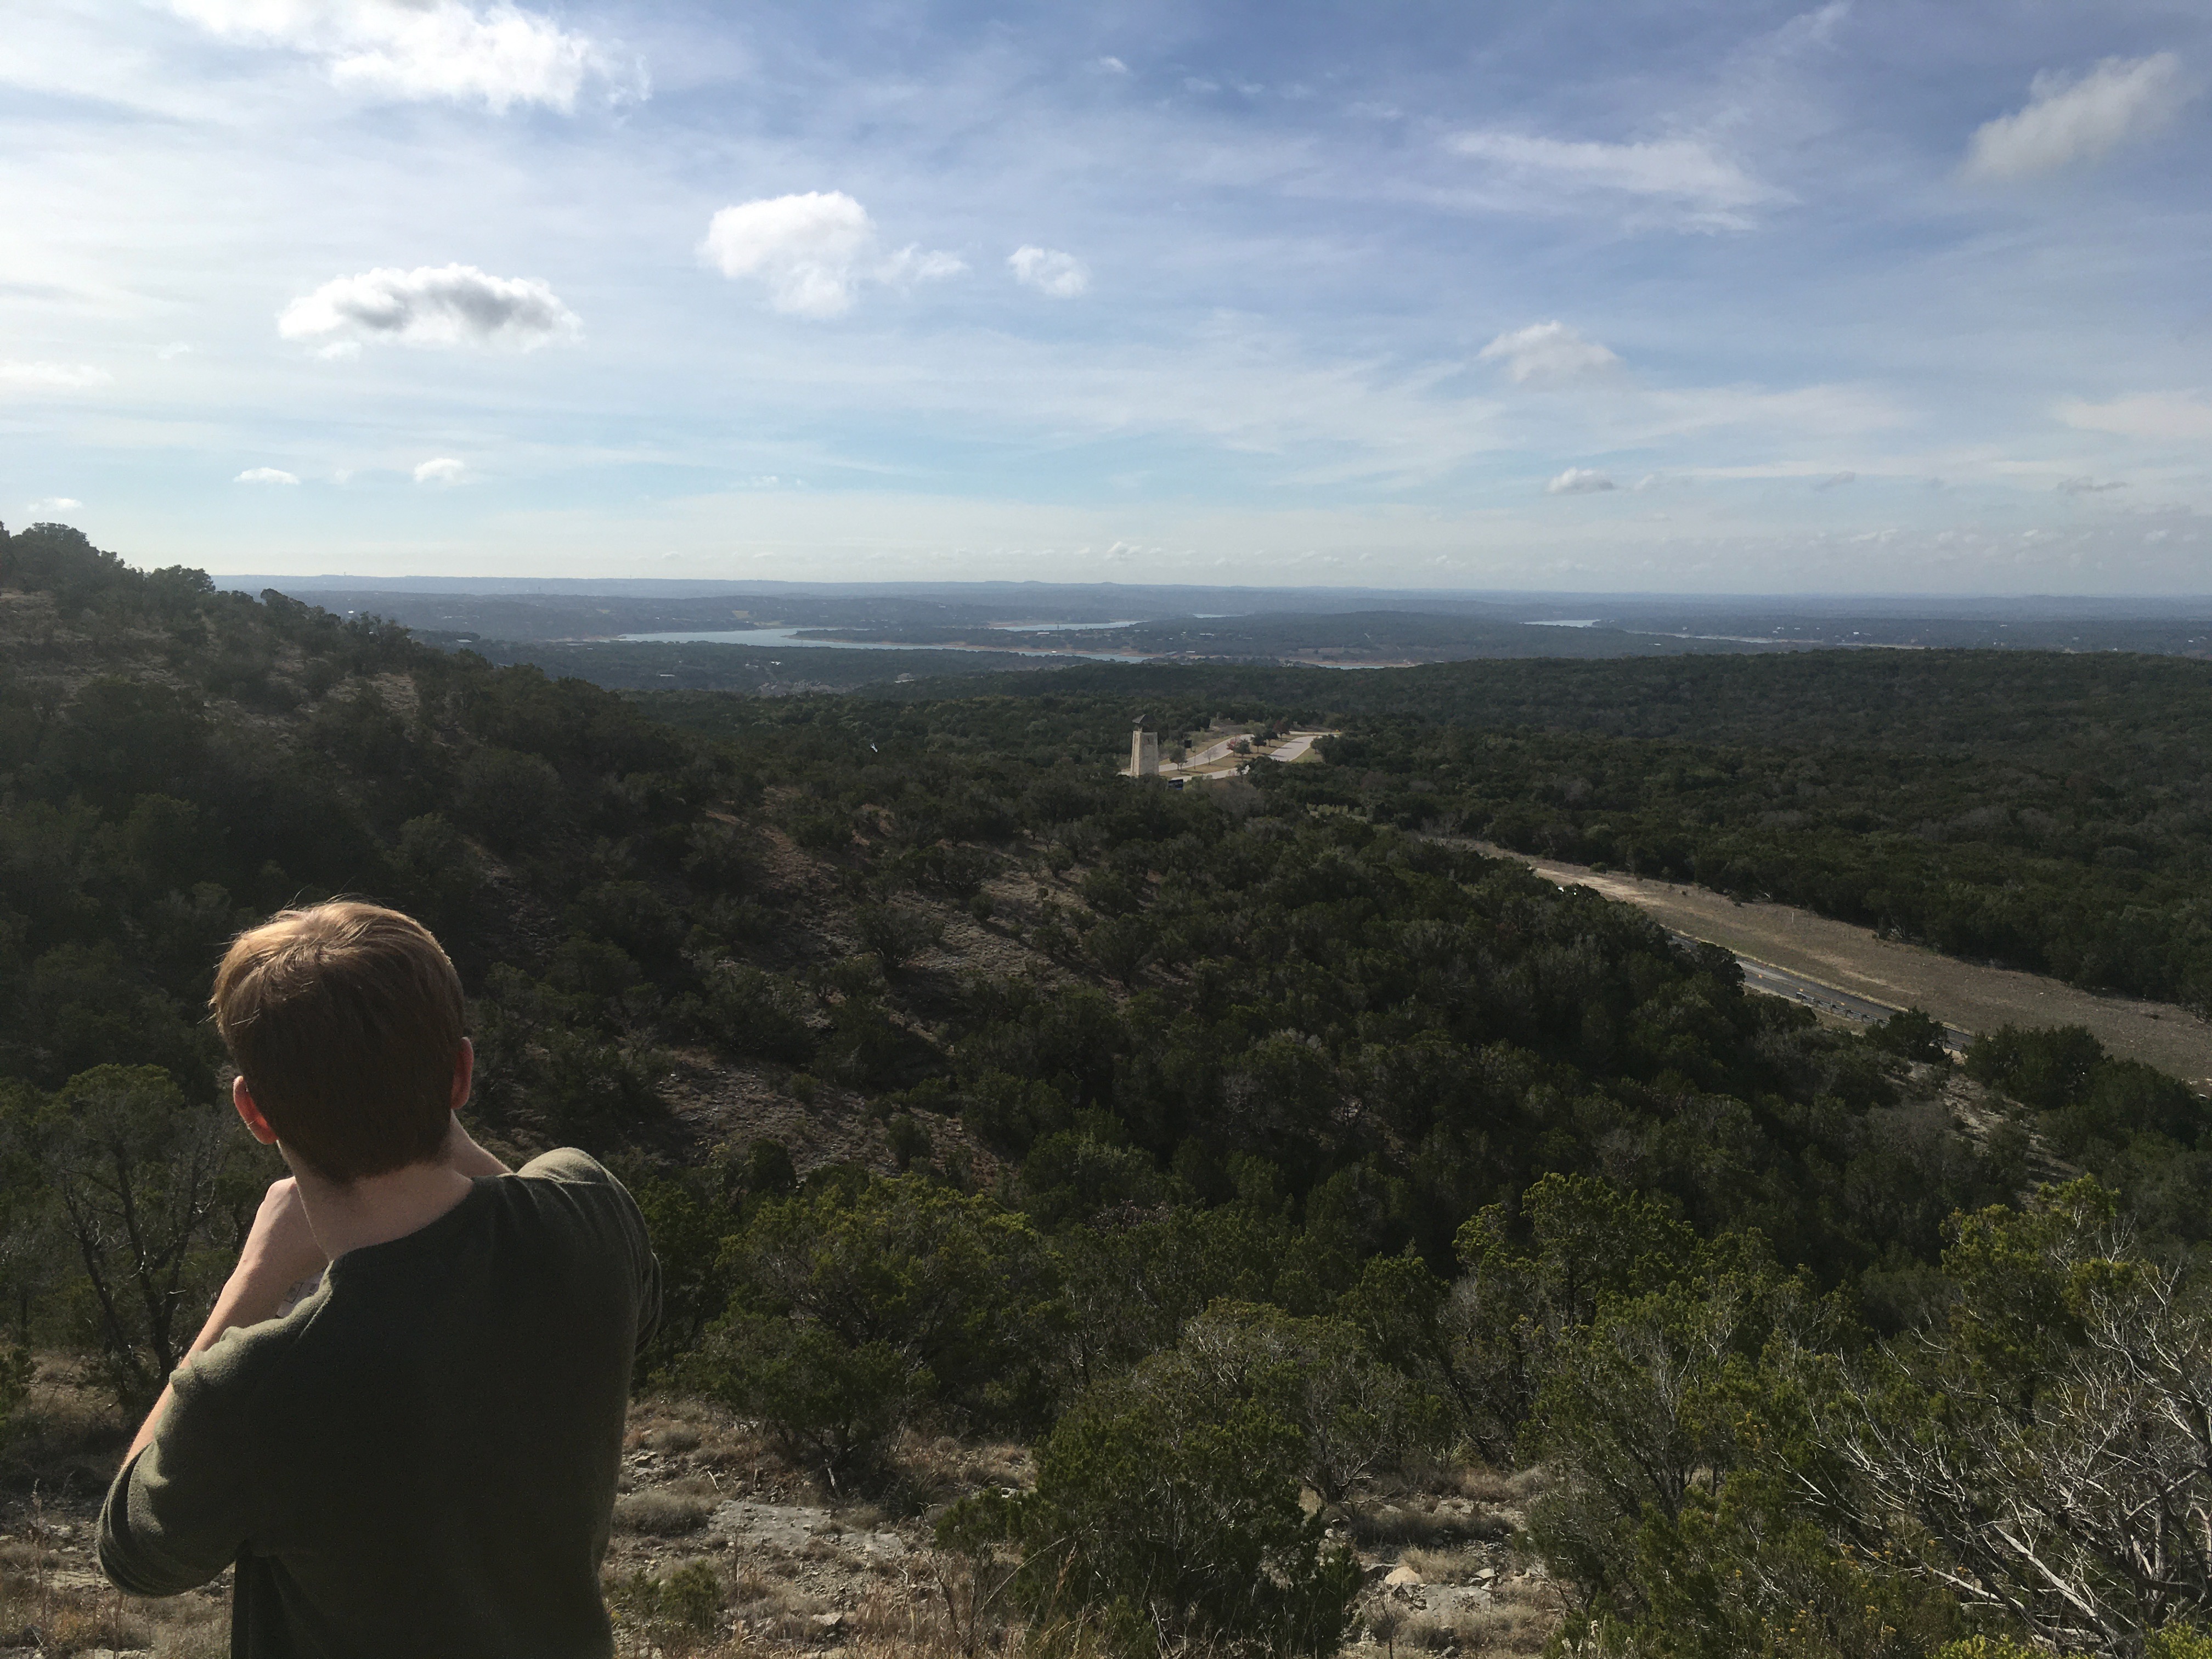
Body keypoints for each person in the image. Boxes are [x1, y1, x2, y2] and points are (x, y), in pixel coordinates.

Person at [98, 901, 662, 1658]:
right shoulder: (590, 1214)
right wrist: (425, 1102)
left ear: (255, 1113)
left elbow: (132, 1552)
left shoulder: (260, 1388)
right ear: (462, 1072)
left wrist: (252, 1283)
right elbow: (628, 1296)